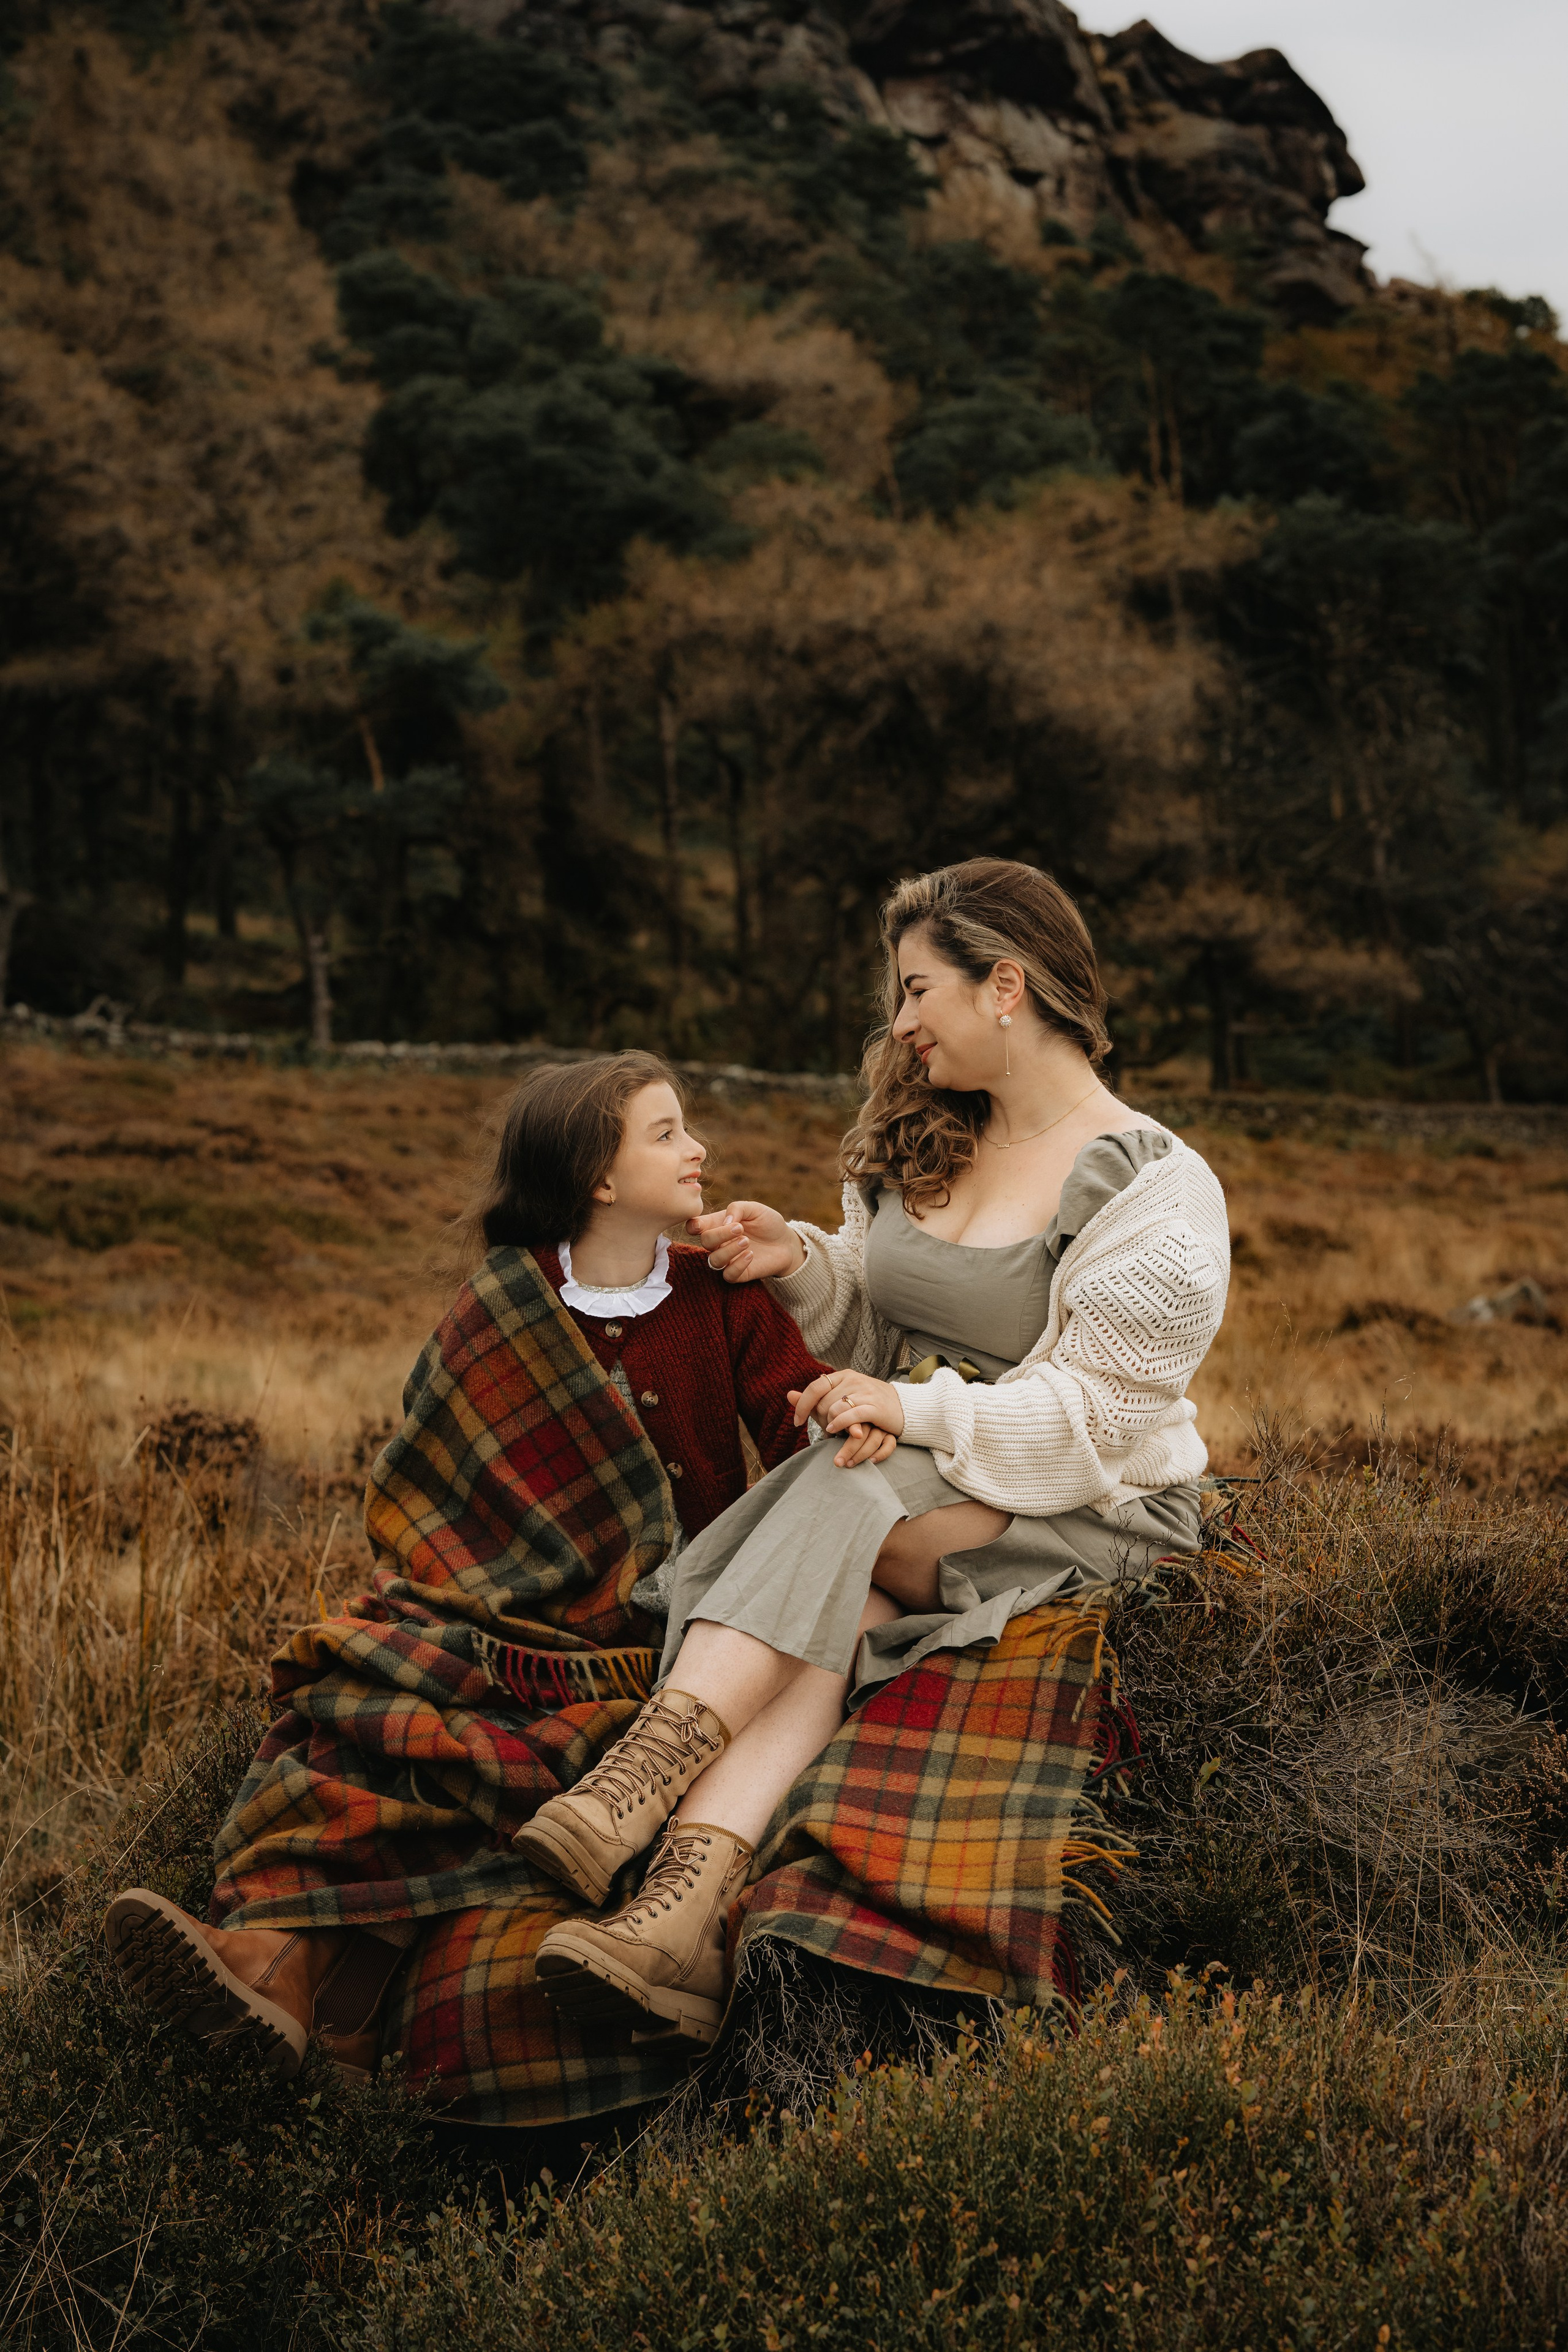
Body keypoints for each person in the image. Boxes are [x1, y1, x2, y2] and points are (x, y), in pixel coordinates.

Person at [523, 858, 1231, 2045]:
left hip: (1085, 1505)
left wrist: (914, 1414)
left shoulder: (1155, 1188)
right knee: (835, 1602)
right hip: (914, 1484)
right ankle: (674, 1923)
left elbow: (1087, 1421)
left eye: (916, 991)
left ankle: (631, 1784)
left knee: (848, 1481)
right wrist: (798, 1260)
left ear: (1003, 985)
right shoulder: (924, 1140)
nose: (897, 1025)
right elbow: (876, 1321)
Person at [104, 1051, 873, 2085]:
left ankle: (313, 1990)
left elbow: (799, 1446)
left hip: (669, 1623)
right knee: (358, 1701)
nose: (698, 1151)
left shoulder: (716, 1296)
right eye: (667, 1134)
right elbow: (435, 1481)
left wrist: (864, 1419)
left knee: (483, 1746)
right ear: (600, 1179)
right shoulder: (504, 1305)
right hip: (495, 1607)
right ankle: (273, 1960)